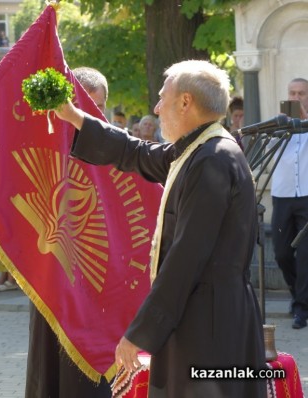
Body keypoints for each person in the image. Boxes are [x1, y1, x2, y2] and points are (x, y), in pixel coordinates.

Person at [54, 60, 266, 397]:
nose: (156, 108)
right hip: (204, 316)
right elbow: (136, 152)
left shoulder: (212, 159)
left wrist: (139, 333)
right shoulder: (201, 149)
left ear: (185, 102)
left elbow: (186, 258)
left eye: (162, 97)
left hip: (209, 326)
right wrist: (73, 116)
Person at [25, 66, 113, 398]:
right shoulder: (44, 146)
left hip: (101, 280)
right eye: (84, 105)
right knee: (49, 365)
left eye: (99, 106)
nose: (91, 115)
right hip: (52, 277)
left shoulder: (119, 148)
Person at [271, 77, 308, 329]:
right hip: (282, 195)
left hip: (306, 194)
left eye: (301, 94)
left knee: (305, 254)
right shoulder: (278, 125)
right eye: (292, 93)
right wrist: (279, 124)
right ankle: (299, 296)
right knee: (282, 253)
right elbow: (266, 149)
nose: (296, 98)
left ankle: (301, 307)